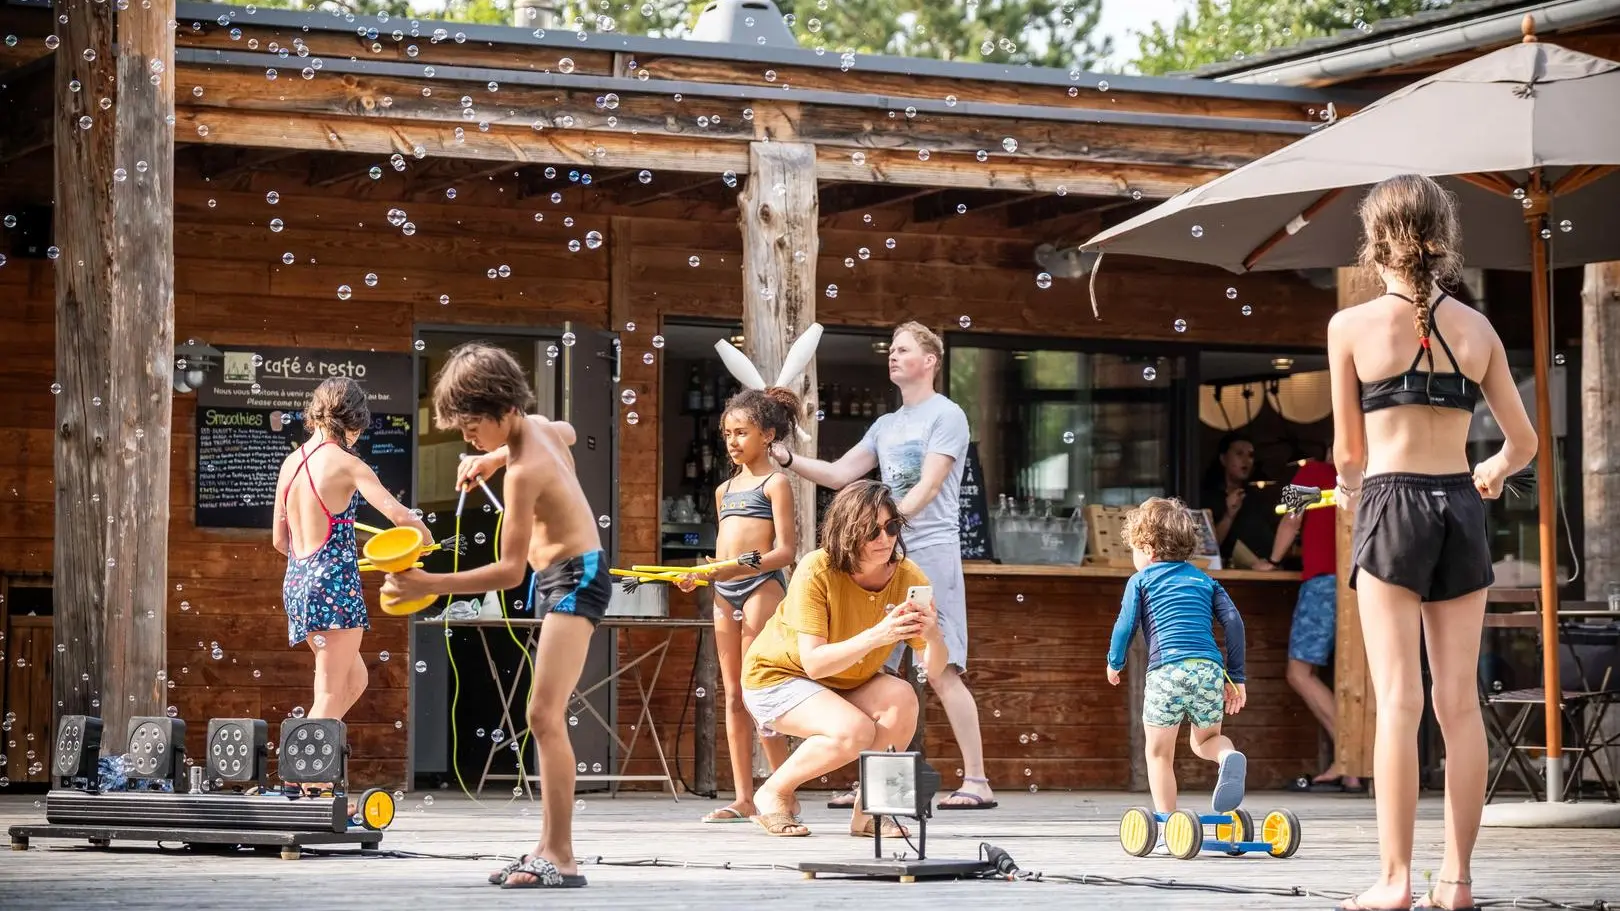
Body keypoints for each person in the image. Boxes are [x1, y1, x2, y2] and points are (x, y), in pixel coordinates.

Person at [1329, 175, 1535, 911]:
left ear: (1374, 239)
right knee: (1458, 704)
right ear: (1442, 240)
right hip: (1458, 505)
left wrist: (1353, 502)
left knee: (1398, 702)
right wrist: (1492, 467)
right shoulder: (1478, 330)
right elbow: (1525, 442)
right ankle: (1458, 880)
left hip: (1390, 504)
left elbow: (1348, 455)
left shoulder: (1349, 327)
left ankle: (1395, 880)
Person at [382, 341, 611, 890]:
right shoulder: (536, 429)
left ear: (503, 409)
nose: (466, 440)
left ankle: (561, 857)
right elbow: (568, 430)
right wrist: (490, 454)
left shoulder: (523, 471)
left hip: (573, 580)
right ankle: (545, 846)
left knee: (542, 716)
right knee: (542, 715)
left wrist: (428, 584)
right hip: (569, 575)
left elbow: (509, 571)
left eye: (471, 429)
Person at [771, 321, 995, 810]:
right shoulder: (887, 425)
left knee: (943, 668)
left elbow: (928, 487)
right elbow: (837, 474)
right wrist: (786, 458)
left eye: (902, 349)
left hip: (930, 550)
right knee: (875, 672)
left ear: (930, 360)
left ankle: (976, 780)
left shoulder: (948, 414)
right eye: (890, 350)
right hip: (884, 552)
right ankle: (874, 780)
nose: (891, 356)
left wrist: (883, 526)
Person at [738, 480, 947, 837]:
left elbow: (936, 668)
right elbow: (815, 663)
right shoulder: (817, 568)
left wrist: (931, 634)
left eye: (891, 527)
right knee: (855, 731)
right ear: (847, 532)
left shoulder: (908, 576)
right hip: (778, 677)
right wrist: (878, 635)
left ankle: (871, 812)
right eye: (871, 531)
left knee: (901, 698)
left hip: (845, 680)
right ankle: (773, 791)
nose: (884, 539)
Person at [273, 377, 430, 800]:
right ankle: (302, 774)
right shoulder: (348, 464)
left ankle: (310, 758)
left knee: (353, 679)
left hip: (298, 580)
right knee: (328, 690)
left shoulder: (291, 464)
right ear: (354, 422)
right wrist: (425, 535)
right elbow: (397, 514)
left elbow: (279, 540)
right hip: (336, 586)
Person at [679, 387, 800, 824]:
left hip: (762, 586)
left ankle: (782, 792)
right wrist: (702, 574)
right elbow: (720, 556)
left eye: (741, 432)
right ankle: (745, 797)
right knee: (731, 694)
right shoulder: (724, 489)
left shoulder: (777, 484)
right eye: (727, 433)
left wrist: (739, 567)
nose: (732, 441)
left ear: (767, 435)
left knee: (757, 692)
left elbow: (786, 551)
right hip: (724, 591)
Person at [1106, 497, 1249, 849]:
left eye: (1135, 549)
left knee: (1158, 754)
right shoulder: (1206, 581)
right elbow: (1234, 623)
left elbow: (1125, 625)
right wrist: (1237, 675)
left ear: (1149, 549)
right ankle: (1227, 757)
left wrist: (1115, 661)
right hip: (1209, 671)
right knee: (1205, 741)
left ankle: (1170, 823)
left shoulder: (1140, 582)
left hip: (1166, 672)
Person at [1270, 447, 1364, 794]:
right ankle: (1353, 765)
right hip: (1366, 584)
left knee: (1300, 672)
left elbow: (1291, 520)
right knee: (1352, 674)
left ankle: (1350, 758)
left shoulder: (1311, 474)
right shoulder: (1373, 476)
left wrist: (1272, 559)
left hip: (1324, 581)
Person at [1201, 433, 1278, 569]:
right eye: (1239, 454)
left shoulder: (1256, 498)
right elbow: (1207, 548)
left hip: (1262, 572)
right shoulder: (1208, 497)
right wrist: (1229, 515)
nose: (1246, 460)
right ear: (1223, 459)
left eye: (1250, 455)